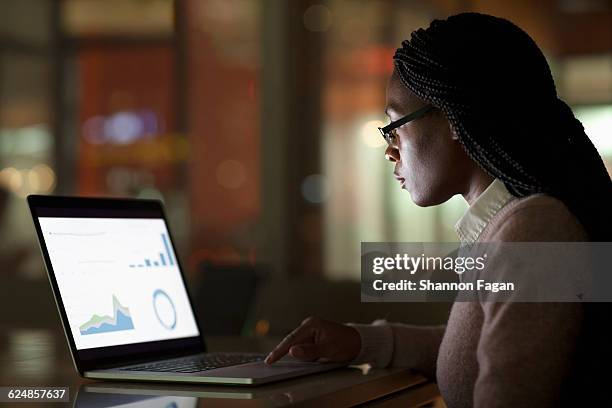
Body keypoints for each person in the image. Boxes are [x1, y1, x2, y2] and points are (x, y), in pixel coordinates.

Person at [265, 12, 612, 407]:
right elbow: (479, 351)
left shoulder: (534, 231)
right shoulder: (515, 224)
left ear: (452, 117)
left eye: (395, 125)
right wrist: (364, 341)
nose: (389, 149)